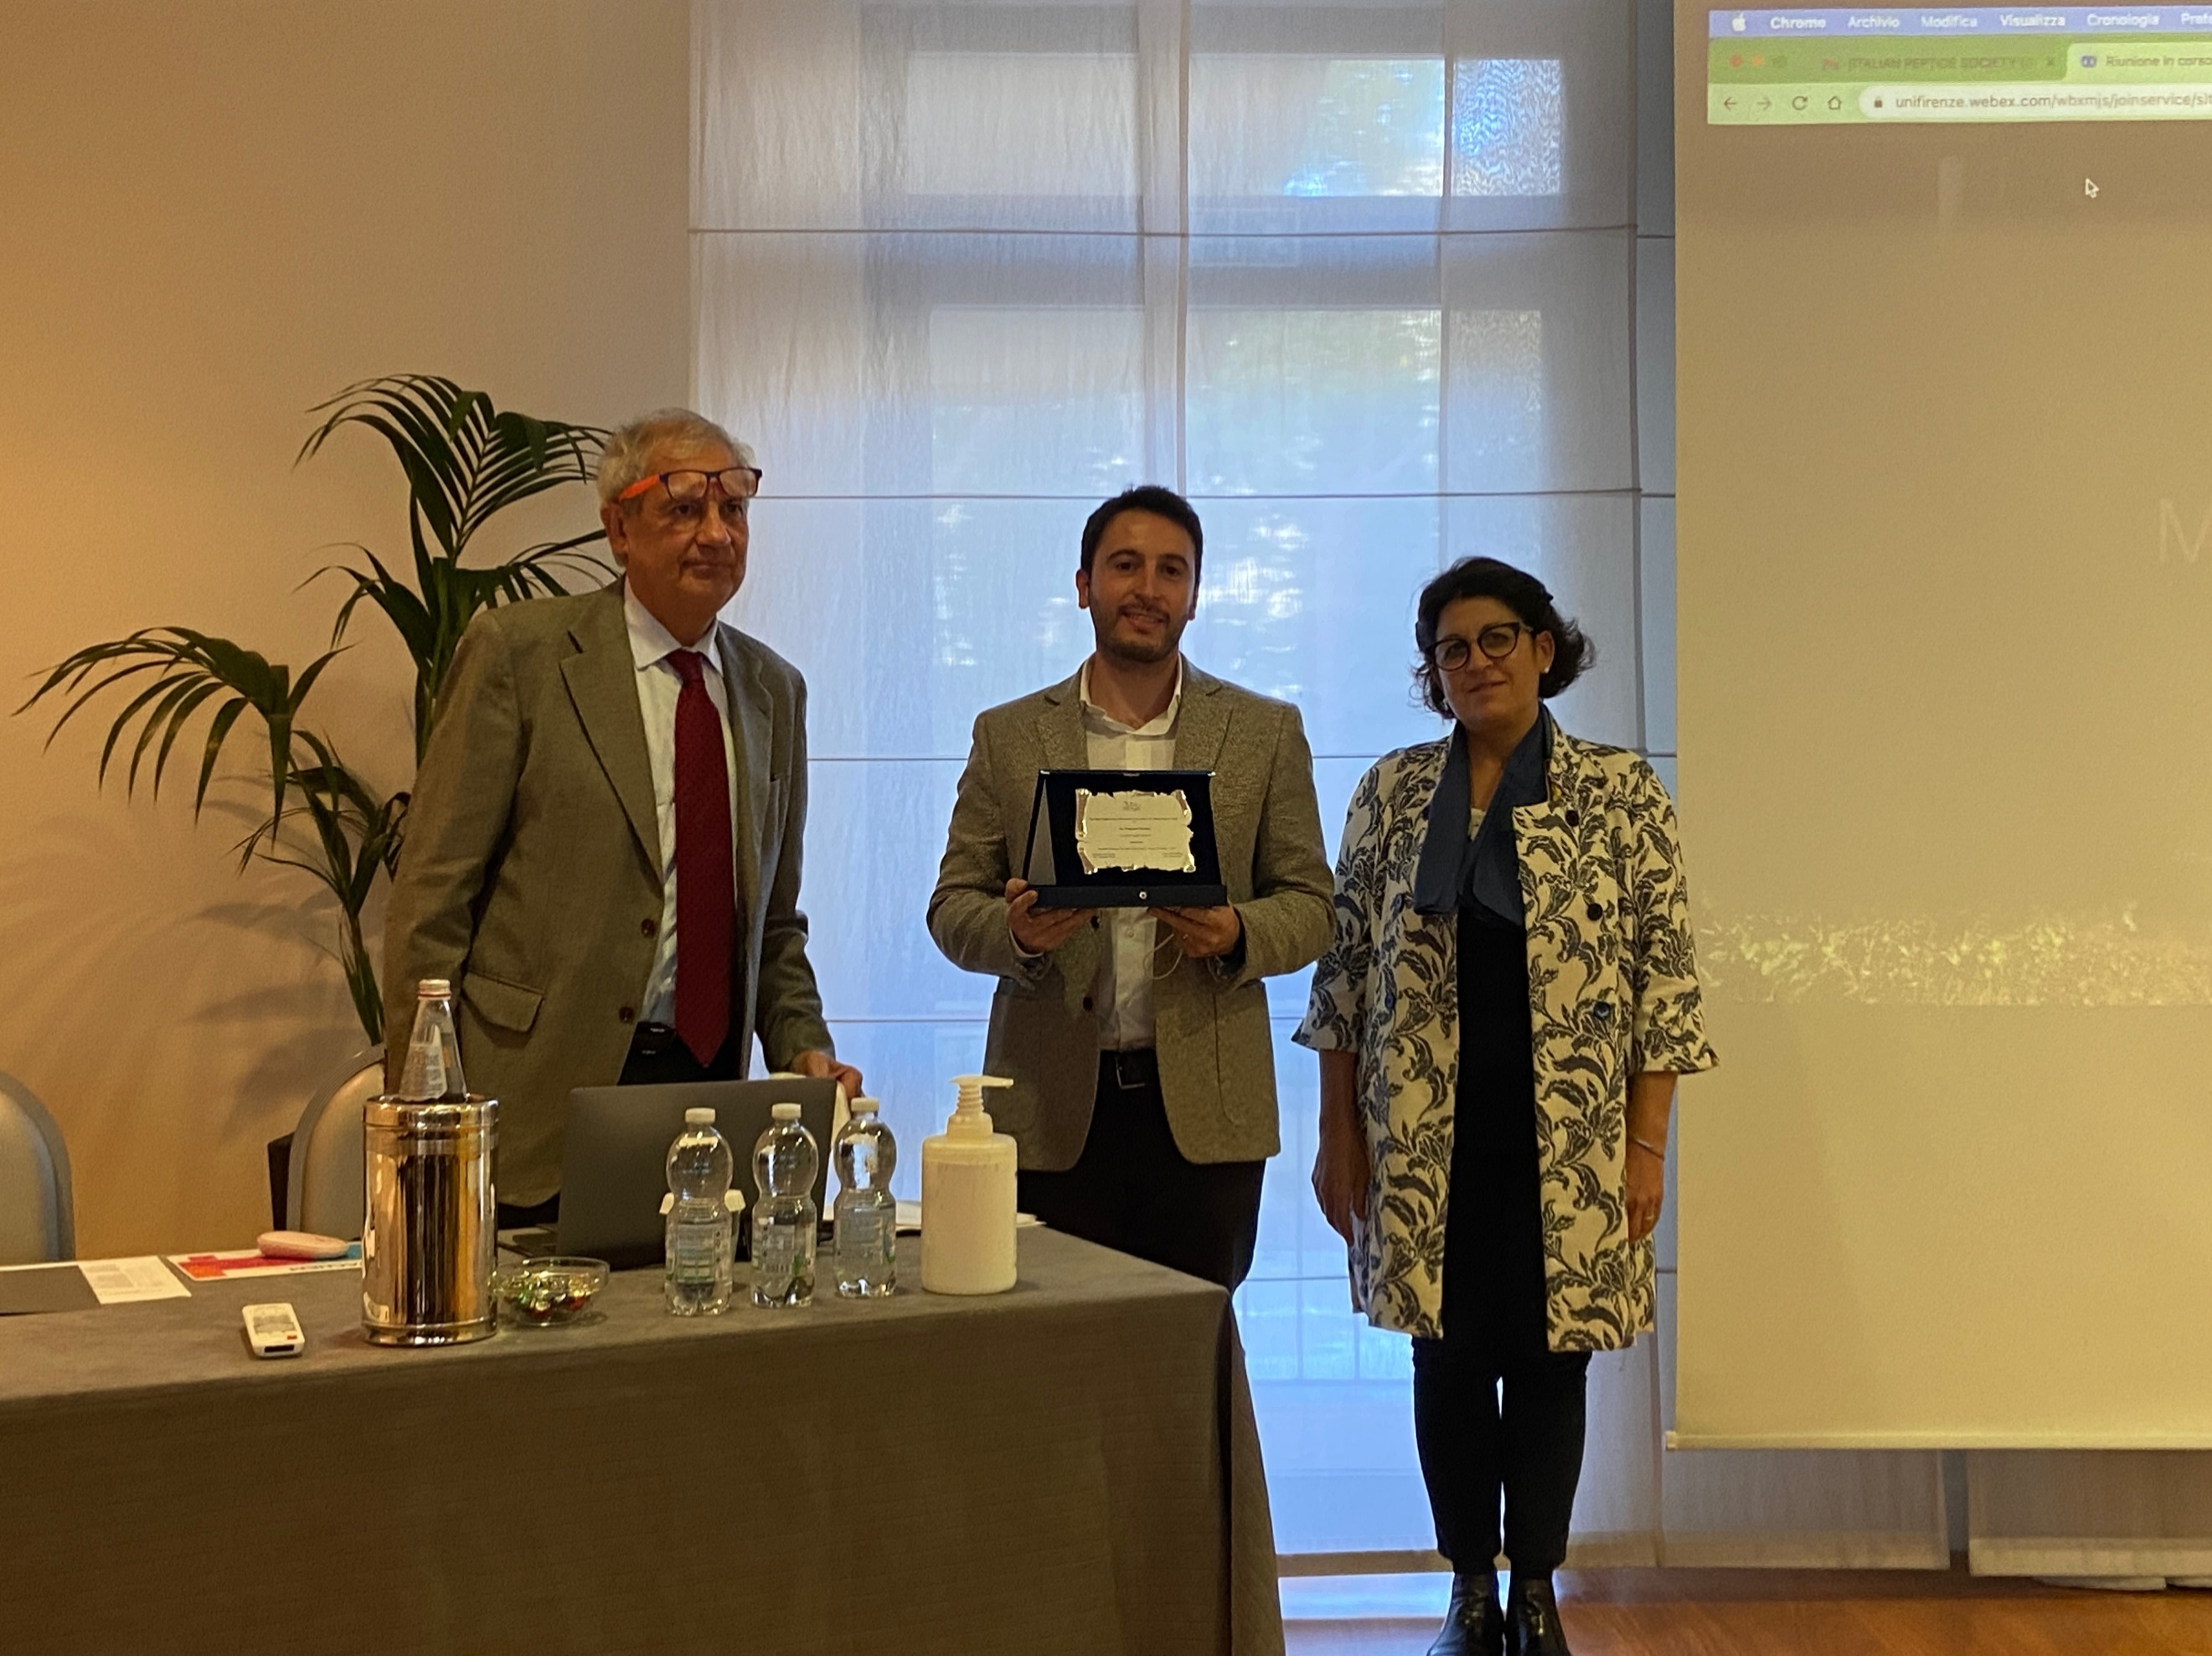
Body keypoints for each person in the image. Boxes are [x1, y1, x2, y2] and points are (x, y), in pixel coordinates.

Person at [1298, 558, 1716, 1656]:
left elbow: (1663, 980)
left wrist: (1645, 1147)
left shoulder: (1620, 792)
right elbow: (1344, 976)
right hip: (1422, 1135)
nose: (1475, 662)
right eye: (1452, 648)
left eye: (1496, 639)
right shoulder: (1391, 791)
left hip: (1567, 1137)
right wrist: (1337, 1133)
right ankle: (1468, 1593)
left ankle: (1535, 1590)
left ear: (1541, 647)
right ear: (1432, 673)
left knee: (1549, 1358)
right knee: (1442, 1359)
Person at [381, 409, 859, 1222]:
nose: (716, 534)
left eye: (733, 509)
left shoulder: (773, 692)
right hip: (534, 1101)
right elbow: (432, 900)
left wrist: (805, 1049)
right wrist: (428, 1117)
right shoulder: (520, 656)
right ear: (618, 529)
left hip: (707, 1110)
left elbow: (774, 926)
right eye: (684, 508)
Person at [927, 486, 1333, 1290]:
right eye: (1125, 565)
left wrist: (1237, 933)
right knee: (1053, 1341)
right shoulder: (1008, 733)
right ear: (1084, 584)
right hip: (1049, 1109)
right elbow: (952, 904)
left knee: (1192, 1341)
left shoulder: (1264, 731)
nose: (1148, 589)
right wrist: (1015, 933)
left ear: (1195, 595)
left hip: (1208, 1114)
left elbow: (1312, 904)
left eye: (1170, 570)